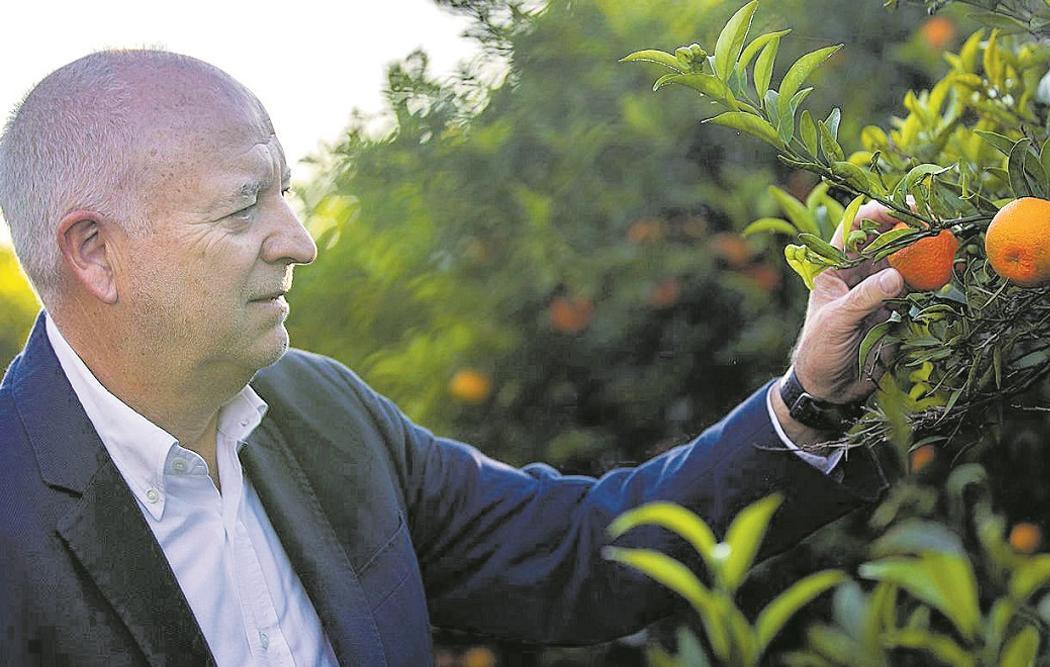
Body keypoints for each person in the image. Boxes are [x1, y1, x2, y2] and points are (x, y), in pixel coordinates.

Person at [0, 50, 905, 666]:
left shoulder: (322, 413)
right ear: (94, 253)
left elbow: (574, 549)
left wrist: (809, 404)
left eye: (286, 192)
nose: (300, 240)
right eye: (244, 210)